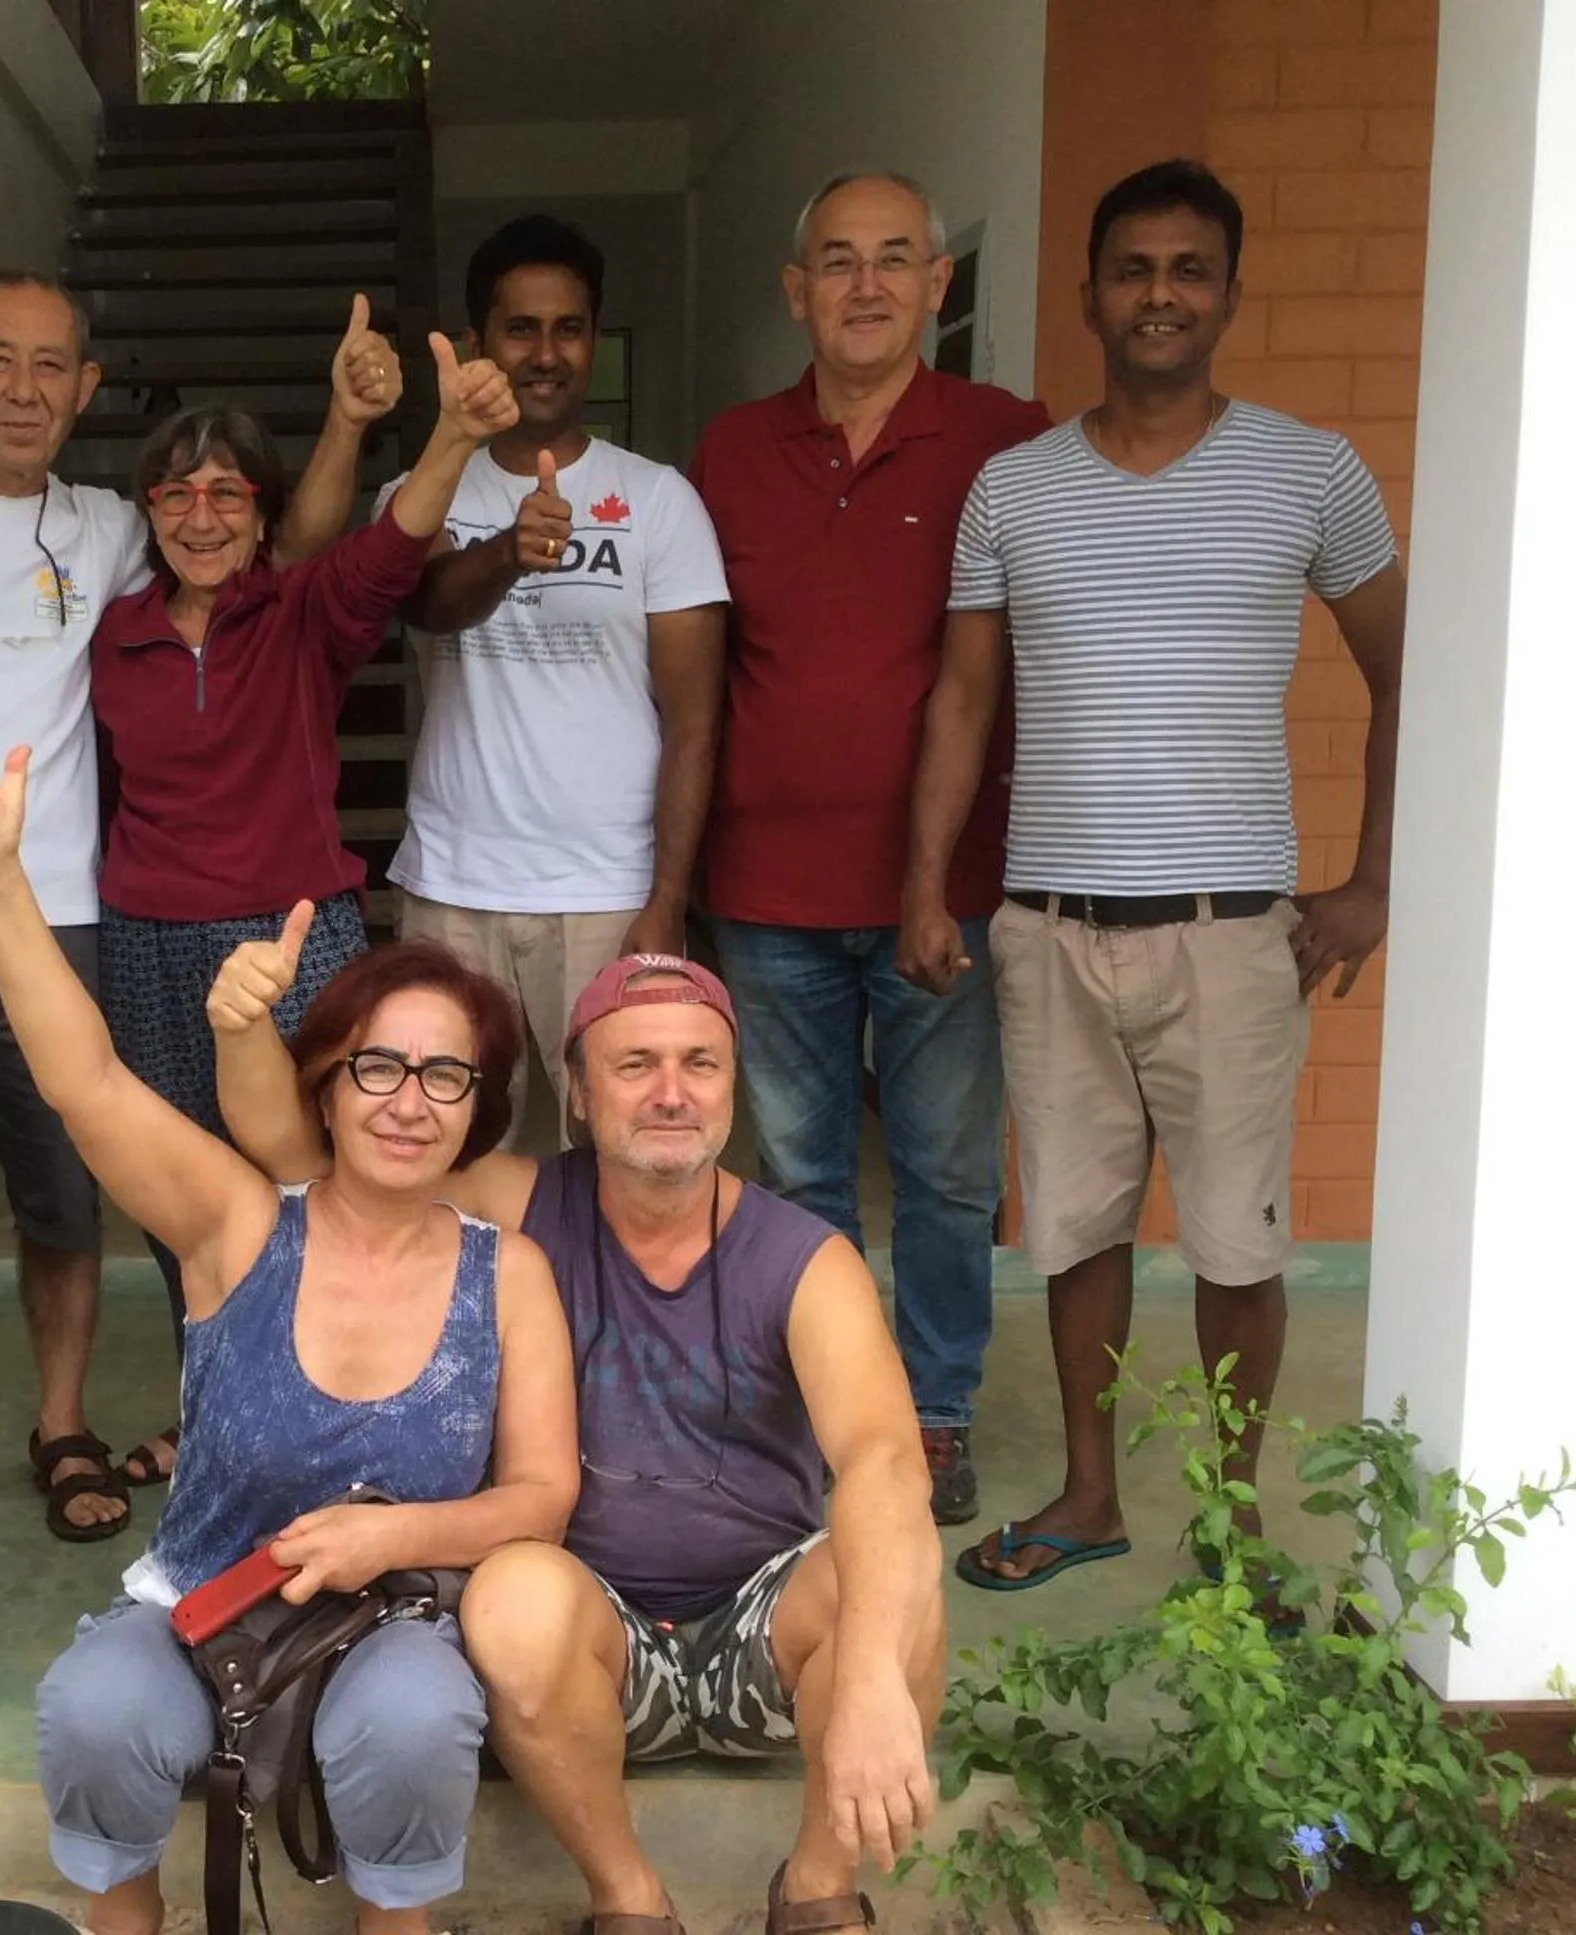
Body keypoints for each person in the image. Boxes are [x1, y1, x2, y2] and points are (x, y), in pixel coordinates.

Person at [0, 748, 578, 1935]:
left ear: (482, 1108)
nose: (408, 1101)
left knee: (417, 1721)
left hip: (395, 1624)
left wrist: (399, 1537)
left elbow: (543, 1495)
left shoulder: (507, 1273)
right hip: (201, 1608)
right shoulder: (235, 1225)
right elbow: (88, 1084)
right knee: (95, 1706)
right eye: (378, 1065)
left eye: (446, 1076)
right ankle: (130, 1920)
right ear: (325, 1083)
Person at [0, 273, 388, 1542]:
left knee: (68, 1185)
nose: (22, 389)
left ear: (86, 388)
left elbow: (298, 543)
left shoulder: (119, 524)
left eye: (50, 365)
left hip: (66, 912)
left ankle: (63, 1422)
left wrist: (346, 425)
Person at [211, 939, 945, 1933]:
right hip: (587, 1652)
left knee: (898, 1571)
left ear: (735, 1082)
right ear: (583, 1092)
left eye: (700, 1063)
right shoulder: (518, 1206)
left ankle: (817, 1885)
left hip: (760, 1635)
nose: (671, 1093)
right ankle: (627, 1896)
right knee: (512, 1590)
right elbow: (298, 1153)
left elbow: (885, 1462)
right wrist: (242, 1025)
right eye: (634, 1064)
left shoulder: (805, 1258)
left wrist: (865, 1678)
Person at [899, 160, 1404, 1593]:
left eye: (1191, 270)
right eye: (1136, 269)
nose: (1162, 293)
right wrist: (927, 881)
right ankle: (1088, 1491)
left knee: (1238, 1236)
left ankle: (1231, 1519)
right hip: (1052, 925)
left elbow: (1406, 672)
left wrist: (1372, 880)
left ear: (1230, 292)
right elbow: (960, 702)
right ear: (1091, 294)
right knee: (1071, 1223)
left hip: (1233, 933)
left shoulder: (1312, 471)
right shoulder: (1016, 486)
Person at [687, 173, 1051, 1528]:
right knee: (799, 1173)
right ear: (797, 290)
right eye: (836, 260)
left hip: (943, 891)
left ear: (939, 283)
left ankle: (937, 1409)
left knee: (952, 1171)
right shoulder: (728, 450)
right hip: (767, 891)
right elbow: (698, 668)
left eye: (896, 258)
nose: (866, 284)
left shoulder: (1009, 444)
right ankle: (833, 1404)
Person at [86, 329, 522, 1457]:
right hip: (146, 946)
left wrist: (454, 436)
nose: (201, 516)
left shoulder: (302, 615)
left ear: (265, 513)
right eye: (176, 492)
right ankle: (214, 1414)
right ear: (148, 508)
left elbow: (393, 545)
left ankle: (341, 1400)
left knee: (321, 1175)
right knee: (174, 1191)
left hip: (294, 939)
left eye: (227, 493)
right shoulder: (114, 635)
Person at [381, 214, 728, 1136]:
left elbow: (694, 720)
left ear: (593, 340)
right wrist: (506, 552)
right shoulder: (422, 490)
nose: (545, 352)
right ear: (475, 345)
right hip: (454, 886)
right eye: (520, 328)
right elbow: (421, 602)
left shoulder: (659, 500)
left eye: (568, 328)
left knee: (620, 1147)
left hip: (610, 895)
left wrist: (666, 900)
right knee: (448, 1151)